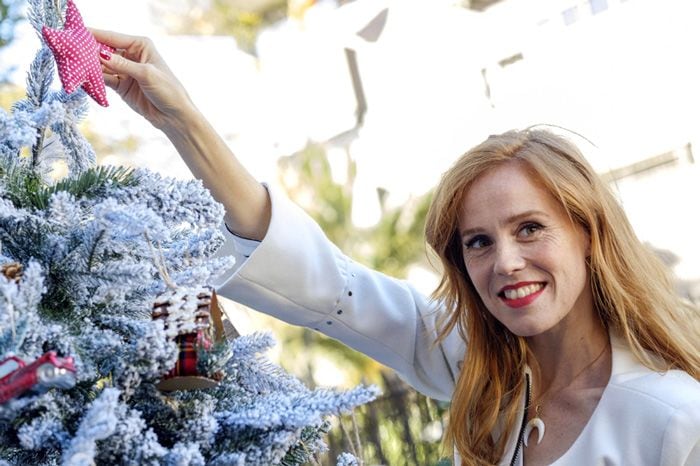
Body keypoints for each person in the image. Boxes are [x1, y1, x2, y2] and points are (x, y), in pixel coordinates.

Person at [93, 29, 700, 465]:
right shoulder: (484, 376)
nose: (506, 261)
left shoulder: (676, 418)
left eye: (531, 228)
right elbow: (331, 286)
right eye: (478, 242)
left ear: (589, 234)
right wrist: (180, 120)